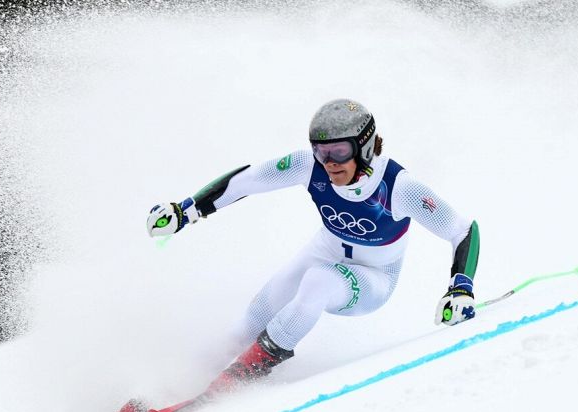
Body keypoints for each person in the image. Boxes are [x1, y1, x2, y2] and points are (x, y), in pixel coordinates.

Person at [146, 99, 480, 396]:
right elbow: (246, 180)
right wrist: (186, 210)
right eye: (322, 152)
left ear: (363, 147)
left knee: (318, 281)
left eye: (339, 152)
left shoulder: (399, 187)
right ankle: (180, 384)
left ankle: (247, 373)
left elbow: (463, 230)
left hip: (373, 278)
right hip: (324, 253)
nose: (329, 162)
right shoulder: (310, 166)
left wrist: (460, 288)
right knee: (256, 315)